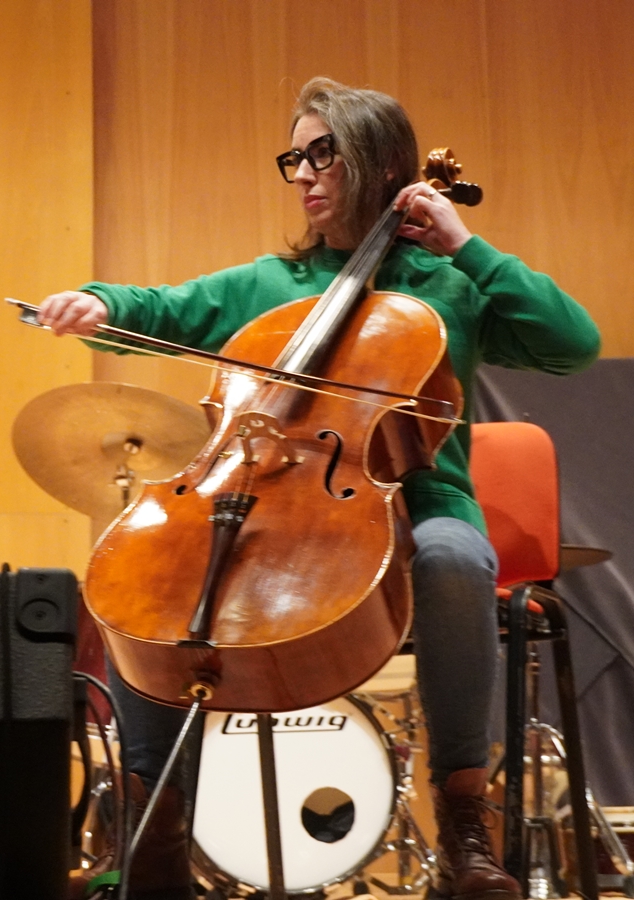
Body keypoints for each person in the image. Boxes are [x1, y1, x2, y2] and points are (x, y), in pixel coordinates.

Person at [40, 77, 599, 900]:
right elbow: (162, 308)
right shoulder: (269, 283)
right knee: (144, 572)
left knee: (453, 558)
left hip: (417, 506)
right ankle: (152, 824)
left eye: (321, 155)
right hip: (272, 517)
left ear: (379, 166)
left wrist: (466, 247)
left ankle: (466, 829)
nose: (302, 173)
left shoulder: (447, 286)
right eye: (293, 157)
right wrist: (97, 298)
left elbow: (573, 342)